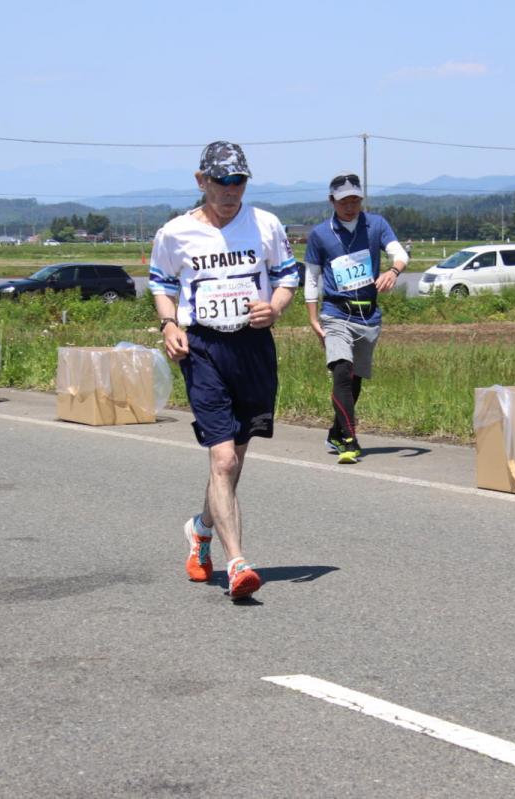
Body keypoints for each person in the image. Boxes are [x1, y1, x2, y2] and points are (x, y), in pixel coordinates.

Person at [149, 141, 299, 600]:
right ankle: (238, 564)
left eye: (239, 181)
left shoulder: (265, 224)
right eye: (222, 181)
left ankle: (201, 529)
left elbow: (289, 276)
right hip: (204, 347)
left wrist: (273, 307)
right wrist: (169, 323)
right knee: (223, 460)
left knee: (233, 463)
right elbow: (161, 284)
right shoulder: (175, 233)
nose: (231, 190)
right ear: (201, 181)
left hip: (252, 347)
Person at [303, 173, 409, 464]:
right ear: (331, 201)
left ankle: (337, 431)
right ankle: (350, 439)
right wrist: (313, 319)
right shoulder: (321, 234)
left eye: (355, 200)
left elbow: (399, 253)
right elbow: (312, 278)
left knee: (355, 378)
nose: (350, 206)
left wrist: (393, 271)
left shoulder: (376, 224)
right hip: (335, 312)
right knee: (341, 370)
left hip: (368, 314)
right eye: (344, 201)